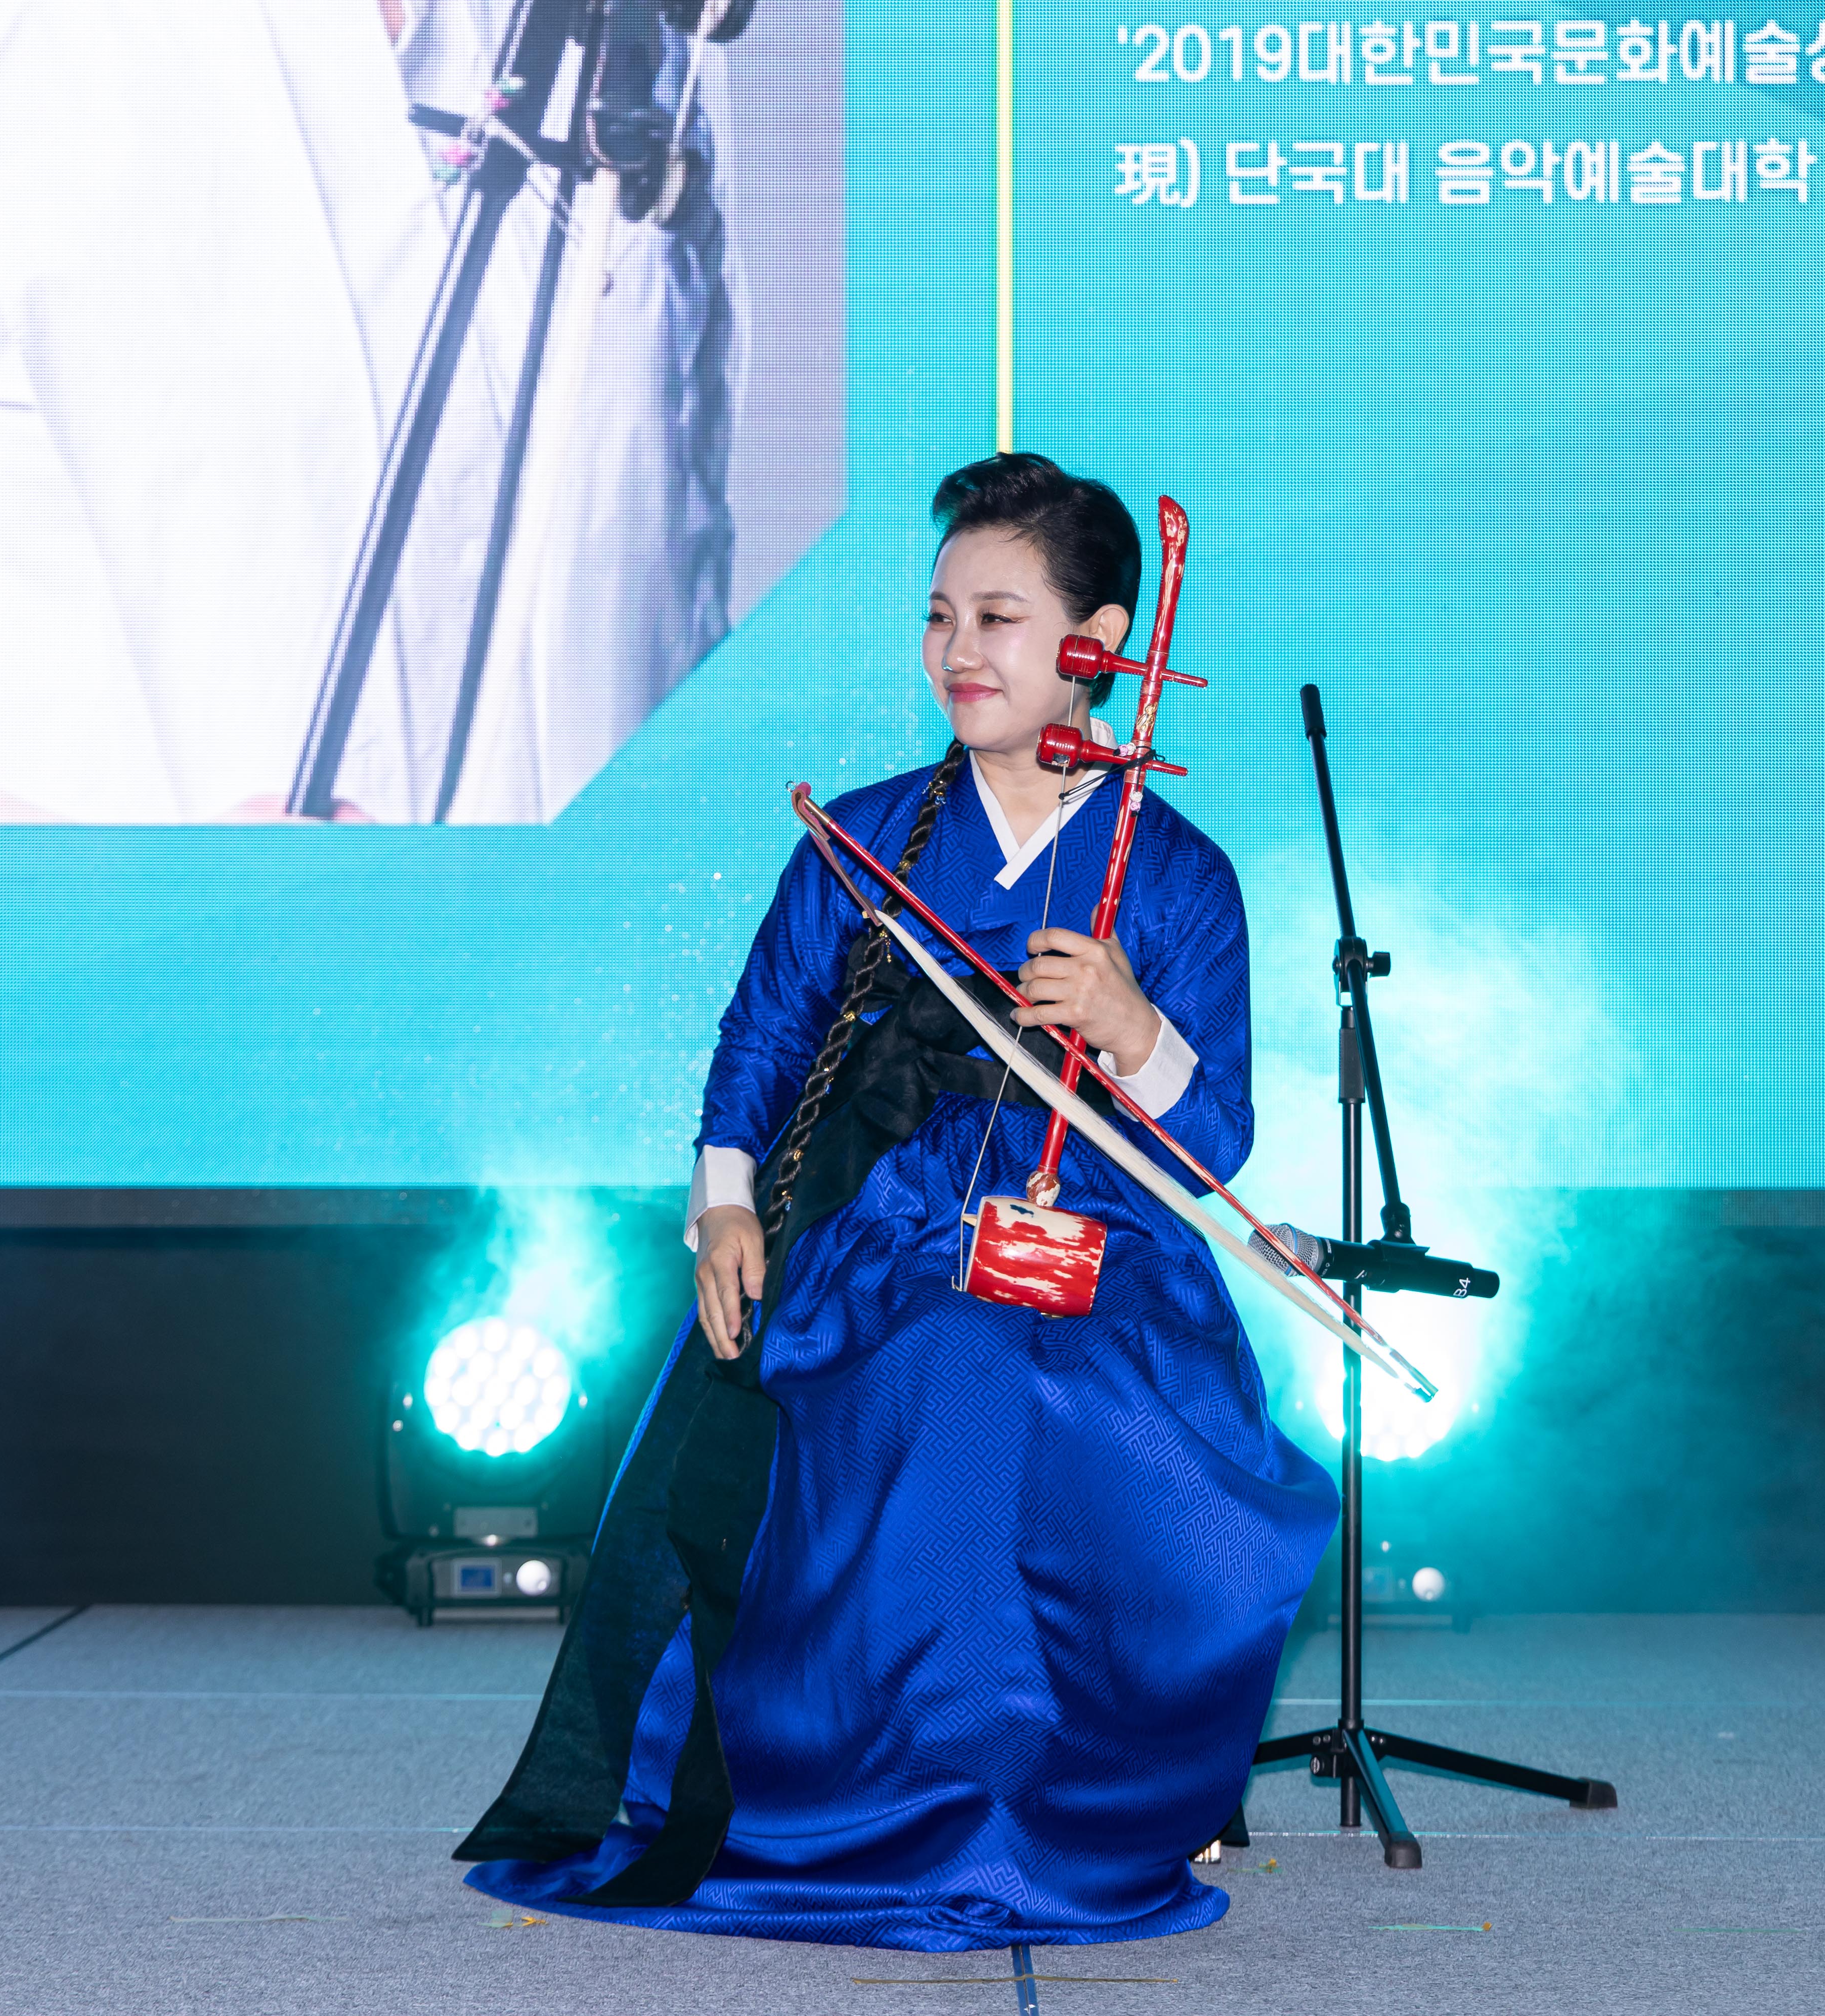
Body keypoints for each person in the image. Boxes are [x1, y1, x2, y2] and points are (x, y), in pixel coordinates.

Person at [456, 452, 1338, 1948]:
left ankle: (1043, 1803)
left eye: (999, 617)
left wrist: (1136, 1029)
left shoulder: (1178, 876)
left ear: (1099, 643)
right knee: (925, 1379)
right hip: (881, 1226)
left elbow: (1216, 1146)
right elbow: (763, 1039)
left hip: (1100, 1246)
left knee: (1053, 1410)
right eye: (940, 616)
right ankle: (891, 1803)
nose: (957, 651)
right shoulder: (866, 838)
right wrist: (726, 1205)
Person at [0, 0, 738, 825]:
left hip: (600, 1000)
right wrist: (153, 906)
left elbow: (674, 618)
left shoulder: (648, 69)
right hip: (160, 1011)